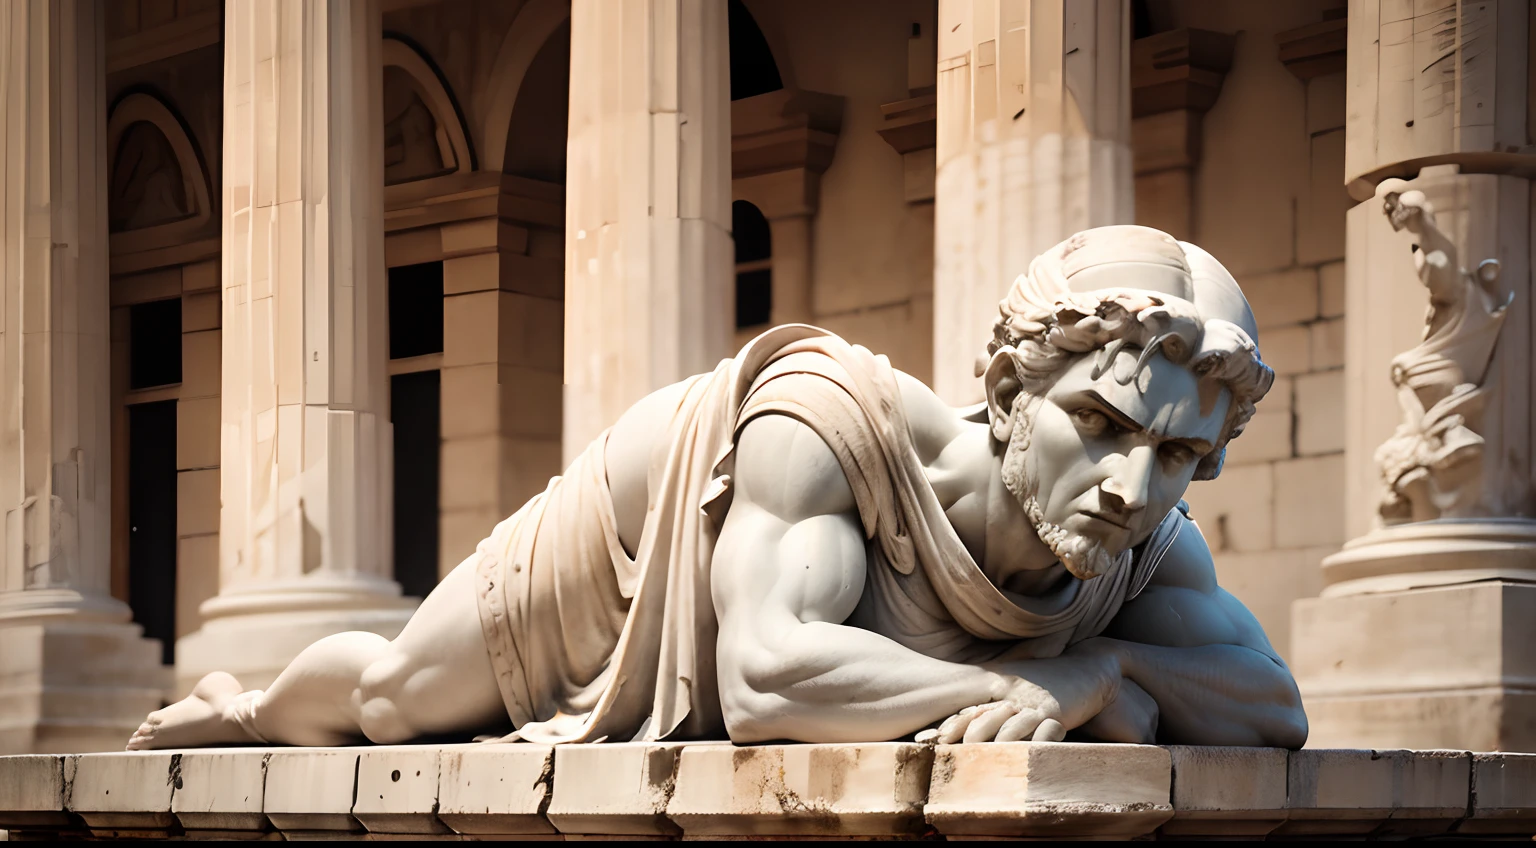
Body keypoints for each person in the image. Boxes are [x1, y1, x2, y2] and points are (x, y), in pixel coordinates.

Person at [128, 225, 1307, 751]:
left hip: (792, 598)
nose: (1131, 483)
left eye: (1181, 457)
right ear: (1008, 386)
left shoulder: (1143, 530)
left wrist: (1107, 665)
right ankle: (247, 706)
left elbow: (1273, 705)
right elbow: (767, 673)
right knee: (393, 699)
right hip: (665, 507)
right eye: (1097, 423)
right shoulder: (833, 423)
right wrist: (1049, 681)